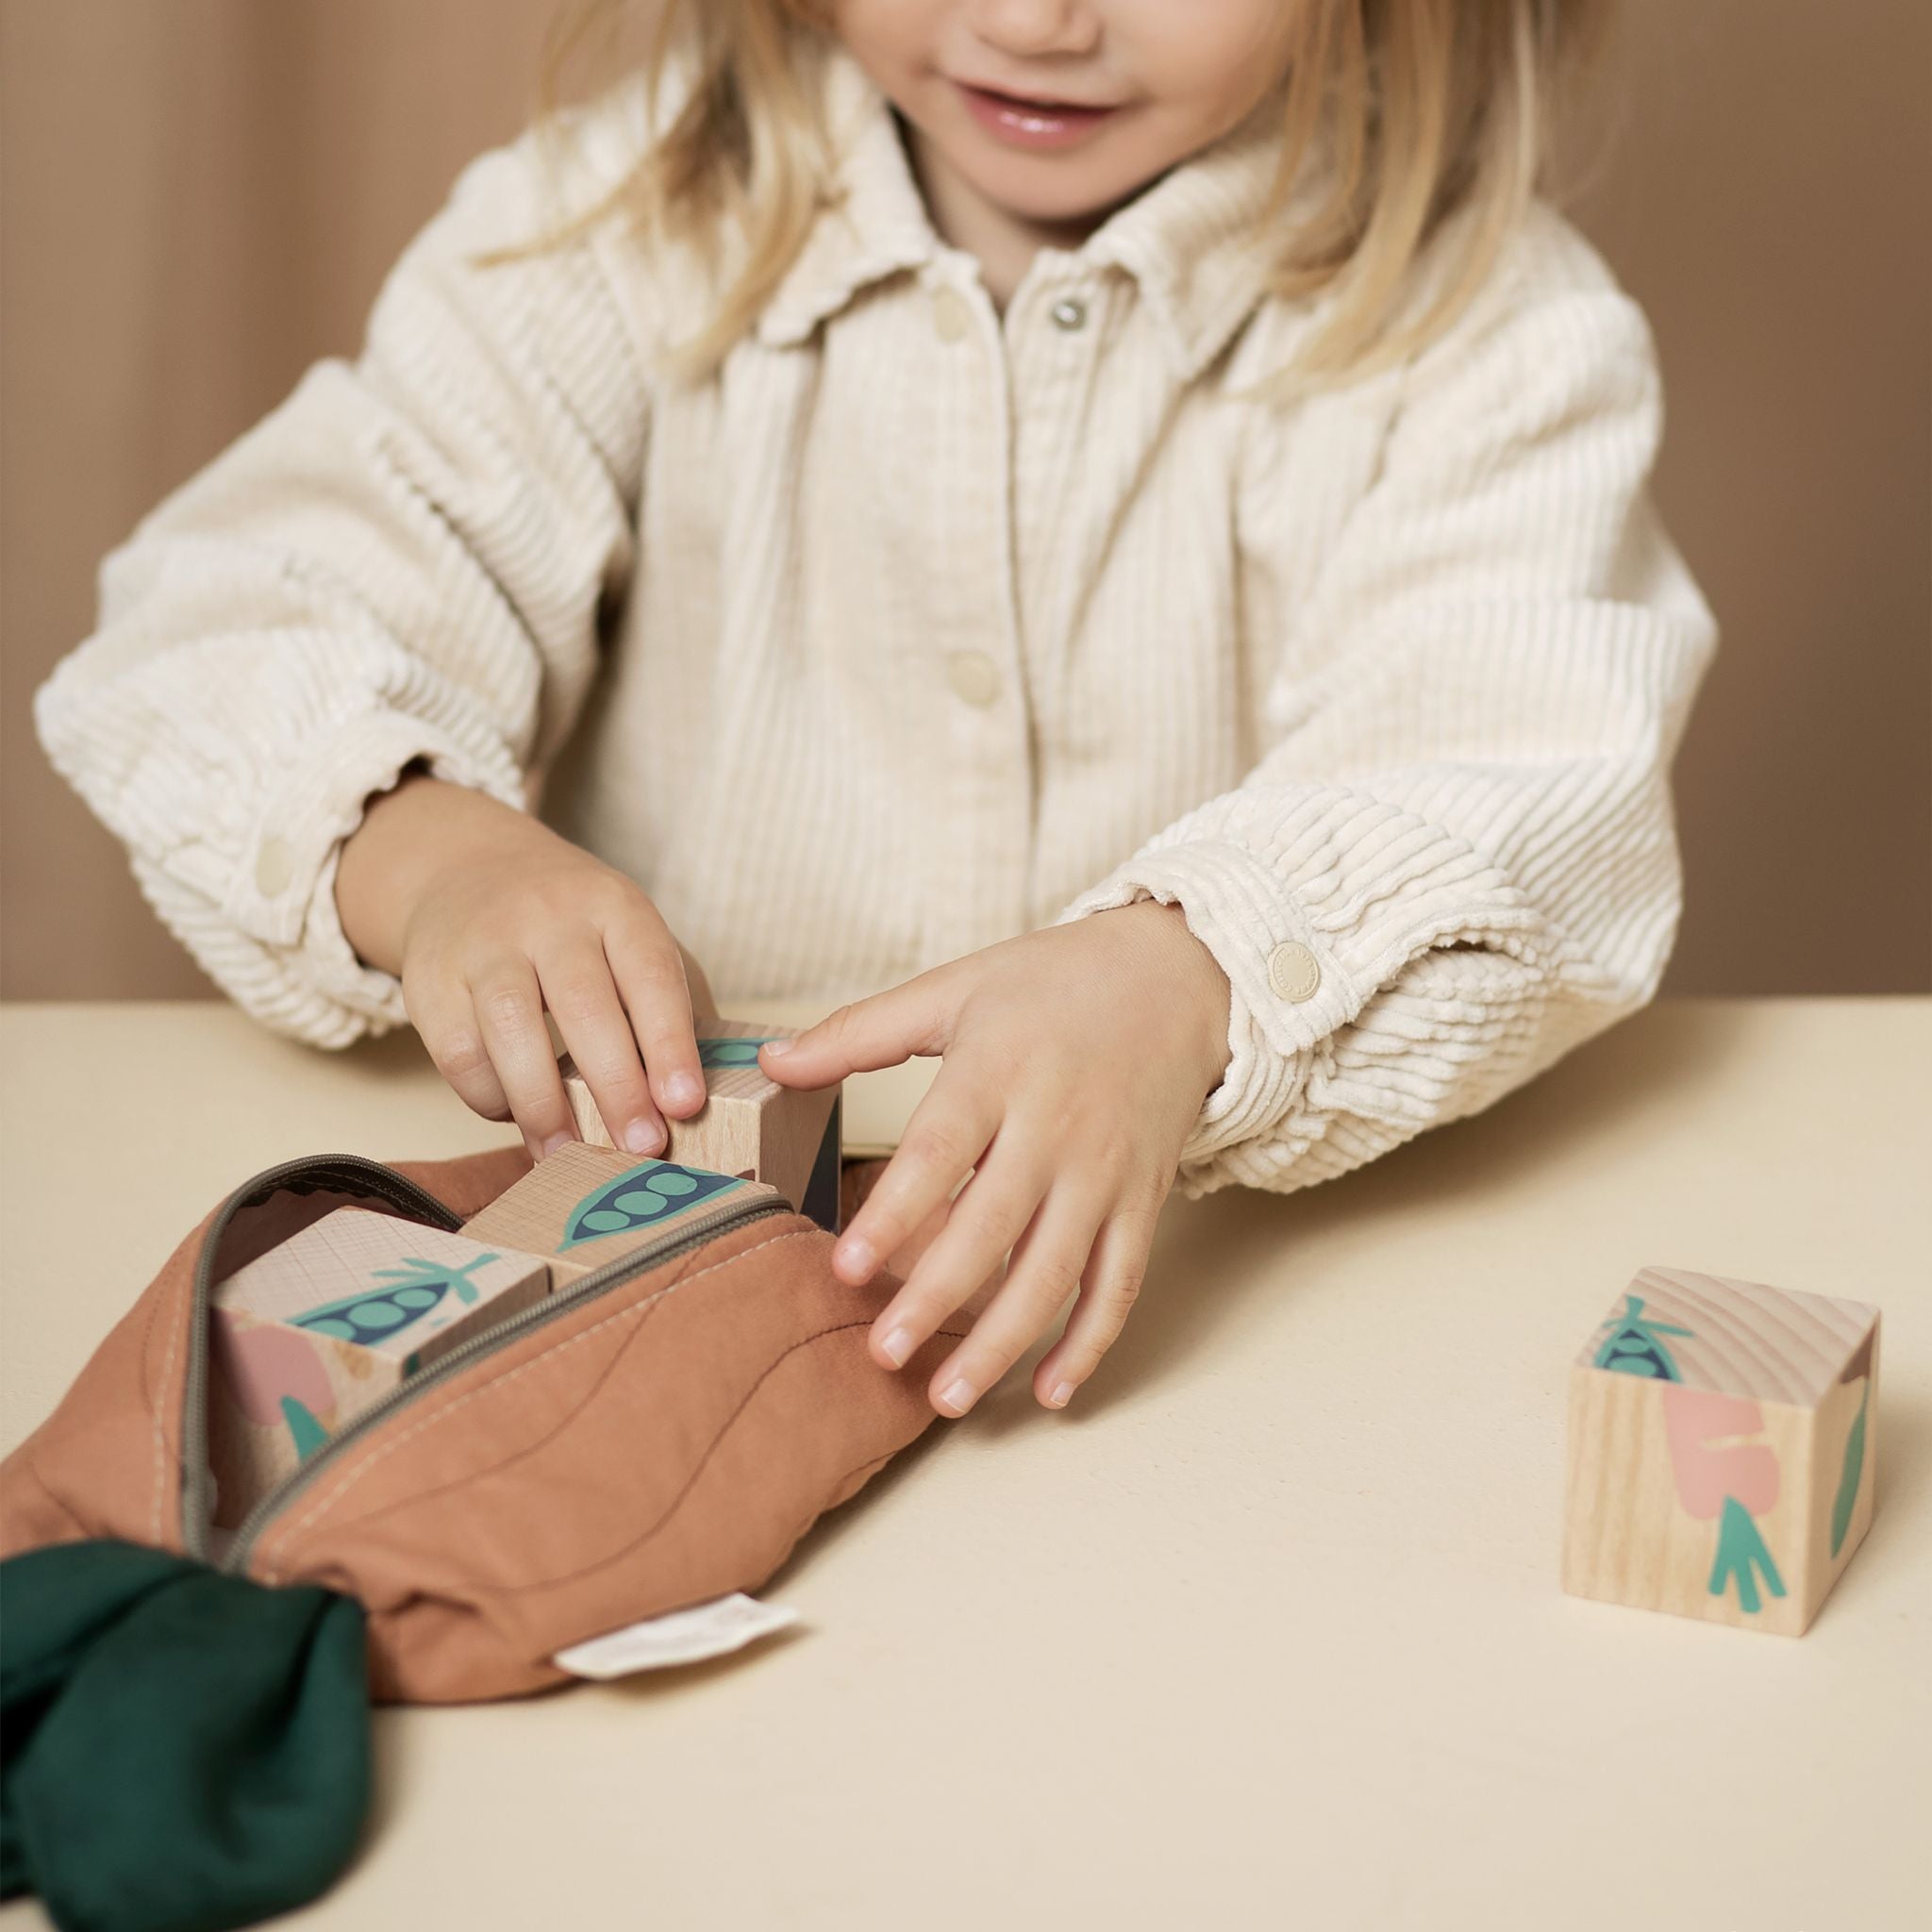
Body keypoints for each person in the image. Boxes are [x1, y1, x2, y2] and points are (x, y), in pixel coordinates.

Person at [33, 0, 1717, 1424]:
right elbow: (234, 614)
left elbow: (1527, 769)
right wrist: (432, 855)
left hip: (1211, 1358)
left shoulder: (1491, 335)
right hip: (648, 1301)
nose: (1041, 17)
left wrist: (1186, 972)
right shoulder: (615, 226)